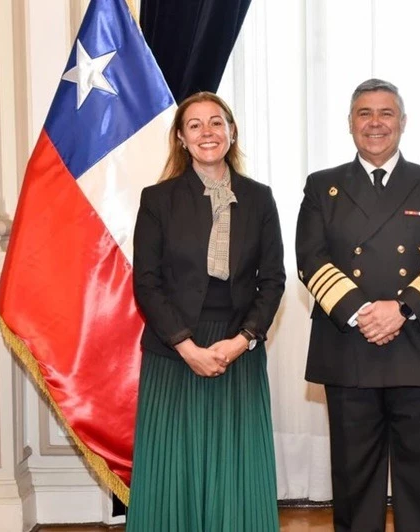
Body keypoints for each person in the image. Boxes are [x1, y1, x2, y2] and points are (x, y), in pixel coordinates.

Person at [296, 79, 420, 532]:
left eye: (386, 113)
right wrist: (363, 313)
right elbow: (310, 259)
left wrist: (401, 309)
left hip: (417, 346)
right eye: (365, 113)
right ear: (350, 123)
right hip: (348, 345)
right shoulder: (322, 186)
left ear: (403, 122)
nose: (376, 123)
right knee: (354, 479)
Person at [127, 91, 285, 531]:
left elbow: (273, 280)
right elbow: (147, 283)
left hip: (237, 348)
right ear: (181, 138)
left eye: (216, 122)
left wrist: (242, 341)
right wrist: (187, 347)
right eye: (194, 125)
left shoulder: (260, 198)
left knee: (235, 464)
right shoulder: (157, 199)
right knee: (173, 465)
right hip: (174, 350)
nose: (207, 132)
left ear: (231, 131)